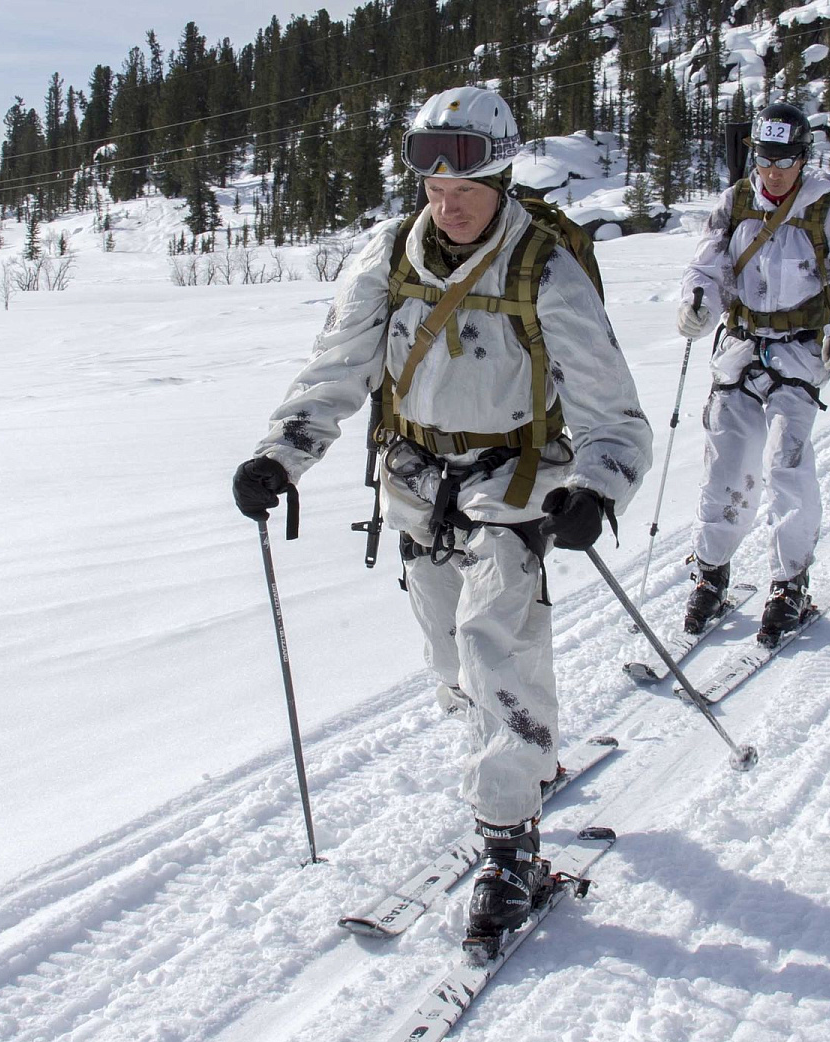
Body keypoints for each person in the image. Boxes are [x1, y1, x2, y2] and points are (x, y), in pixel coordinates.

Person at [230, 86, 651, 951]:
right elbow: (337, 367)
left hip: (516, 482)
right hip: (418, 482)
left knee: (497, 642)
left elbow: (612, 411)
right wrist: (281, 454)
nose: (444, 200)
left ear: (499, 173)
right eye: (429, 181)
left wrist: (598, 487)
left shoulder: (543, 266)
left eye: (463, 183)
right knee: (450, 659)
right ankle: (521, 747)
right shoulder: (387, 255)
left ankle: (509, 843)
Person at [676, 101, 830, 646]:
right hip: (741, 349)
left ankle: (789, 582)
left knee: (786, 466)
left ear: (802, 159)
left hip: (796, 356)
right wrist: (697, 302)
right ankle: (712, 571)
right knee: (724, 465)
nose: (773, 172)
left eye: (784, 161)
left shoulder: (823, 213)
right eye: (765, 159)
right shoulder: (734, 205)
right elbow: (707, 267)